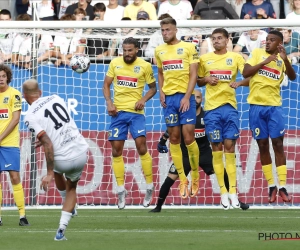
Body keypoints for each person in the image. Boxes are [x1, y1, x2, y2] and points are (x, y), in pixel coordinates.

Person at [150, 90, 250, 212]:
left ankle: (235, 199)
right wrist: (162, 141)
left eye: (198, 97)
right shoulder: (185, 113)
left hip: (204, 153)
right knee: (170, 178)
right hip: (185, 154)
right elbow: (171, 130)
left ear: (201, 99)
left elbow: (216, 131)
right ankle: (158, 206)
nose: (196, 100)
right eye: (194, 97)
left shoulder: (207, 115)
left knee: (223, 173)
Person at [23, 79, 89, 240]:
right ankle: (61, 230)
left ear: (24, 97)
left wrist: (49, 173)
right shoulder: (56, 98)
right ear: (40, 92)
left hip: (61, 159)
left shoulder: (30, 116)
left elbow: (47, 142)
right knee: (72, 187)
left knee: (58, 172)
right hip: (80, 151)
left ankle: (67, 201)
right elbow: (58, 124)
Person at [103, 37, 157, 209]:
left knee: (142, 147)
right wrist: (109, 102)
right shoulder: (115, 63)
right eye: (124, 50)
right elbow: (106, 85)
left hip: (136, 114)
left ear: (137, 50)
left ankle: (149, 186)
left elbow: (153, 88)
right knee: (116, 151)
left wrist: (143, 99)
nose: (127, 53)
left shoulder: (145, 66)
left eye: (130, 50)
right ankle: (120, 190)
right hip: (118, 114)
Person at [242, 30, 296, 203]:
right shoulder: (257, 53)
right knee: (263, 145)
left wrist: (285, 59)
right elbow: (245, 72)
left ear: (279, 43)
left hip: (274, 107)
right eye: (267, 39)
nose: (267, 42)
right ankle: (271, 185)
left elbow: (293, 77)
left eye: (272, 40)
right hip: (256, 107)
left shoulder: (281, 60)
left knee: (278, 144)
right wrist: (265, 62)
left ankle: (283, 186)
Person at [197, 28, 246, 210]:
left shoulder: (236, 58)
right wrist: (207, 79)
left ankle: (233, 192)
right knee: (216, 147)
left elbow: (249, 76)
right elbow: (198, 80)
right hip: (211, 110)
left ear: (227, 40)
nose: (216, 41)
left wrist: (239, 82)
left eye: (219, 38)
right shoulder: (204, 59)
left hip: (230, 107)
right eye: (213, 38)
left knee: (230, 147)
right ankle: (223, 192)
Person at [154, 17, 200, 199]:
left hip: (184, 97)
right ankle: (183, 179)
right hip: (169, 100)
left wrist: (188, 97)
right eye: (163, 30)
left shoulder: (188, 47)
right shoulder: (159, 50)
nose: (165, 33)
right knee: (174, 138)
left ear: (175, 29)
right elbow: (160, 72)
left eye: (168, 30)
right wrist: (161, 91)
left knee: (188, 137)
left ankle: (195, 175)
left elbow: (194, 73)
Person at [0, 65, 29, 226]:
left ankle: (22, 216)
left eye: (3, 75)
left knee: (15, 177)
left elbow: (15, 119)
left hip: (9, 144)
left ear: (8, 77)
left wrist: (0, 138)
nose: (1, 78)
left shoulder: (14, 95)